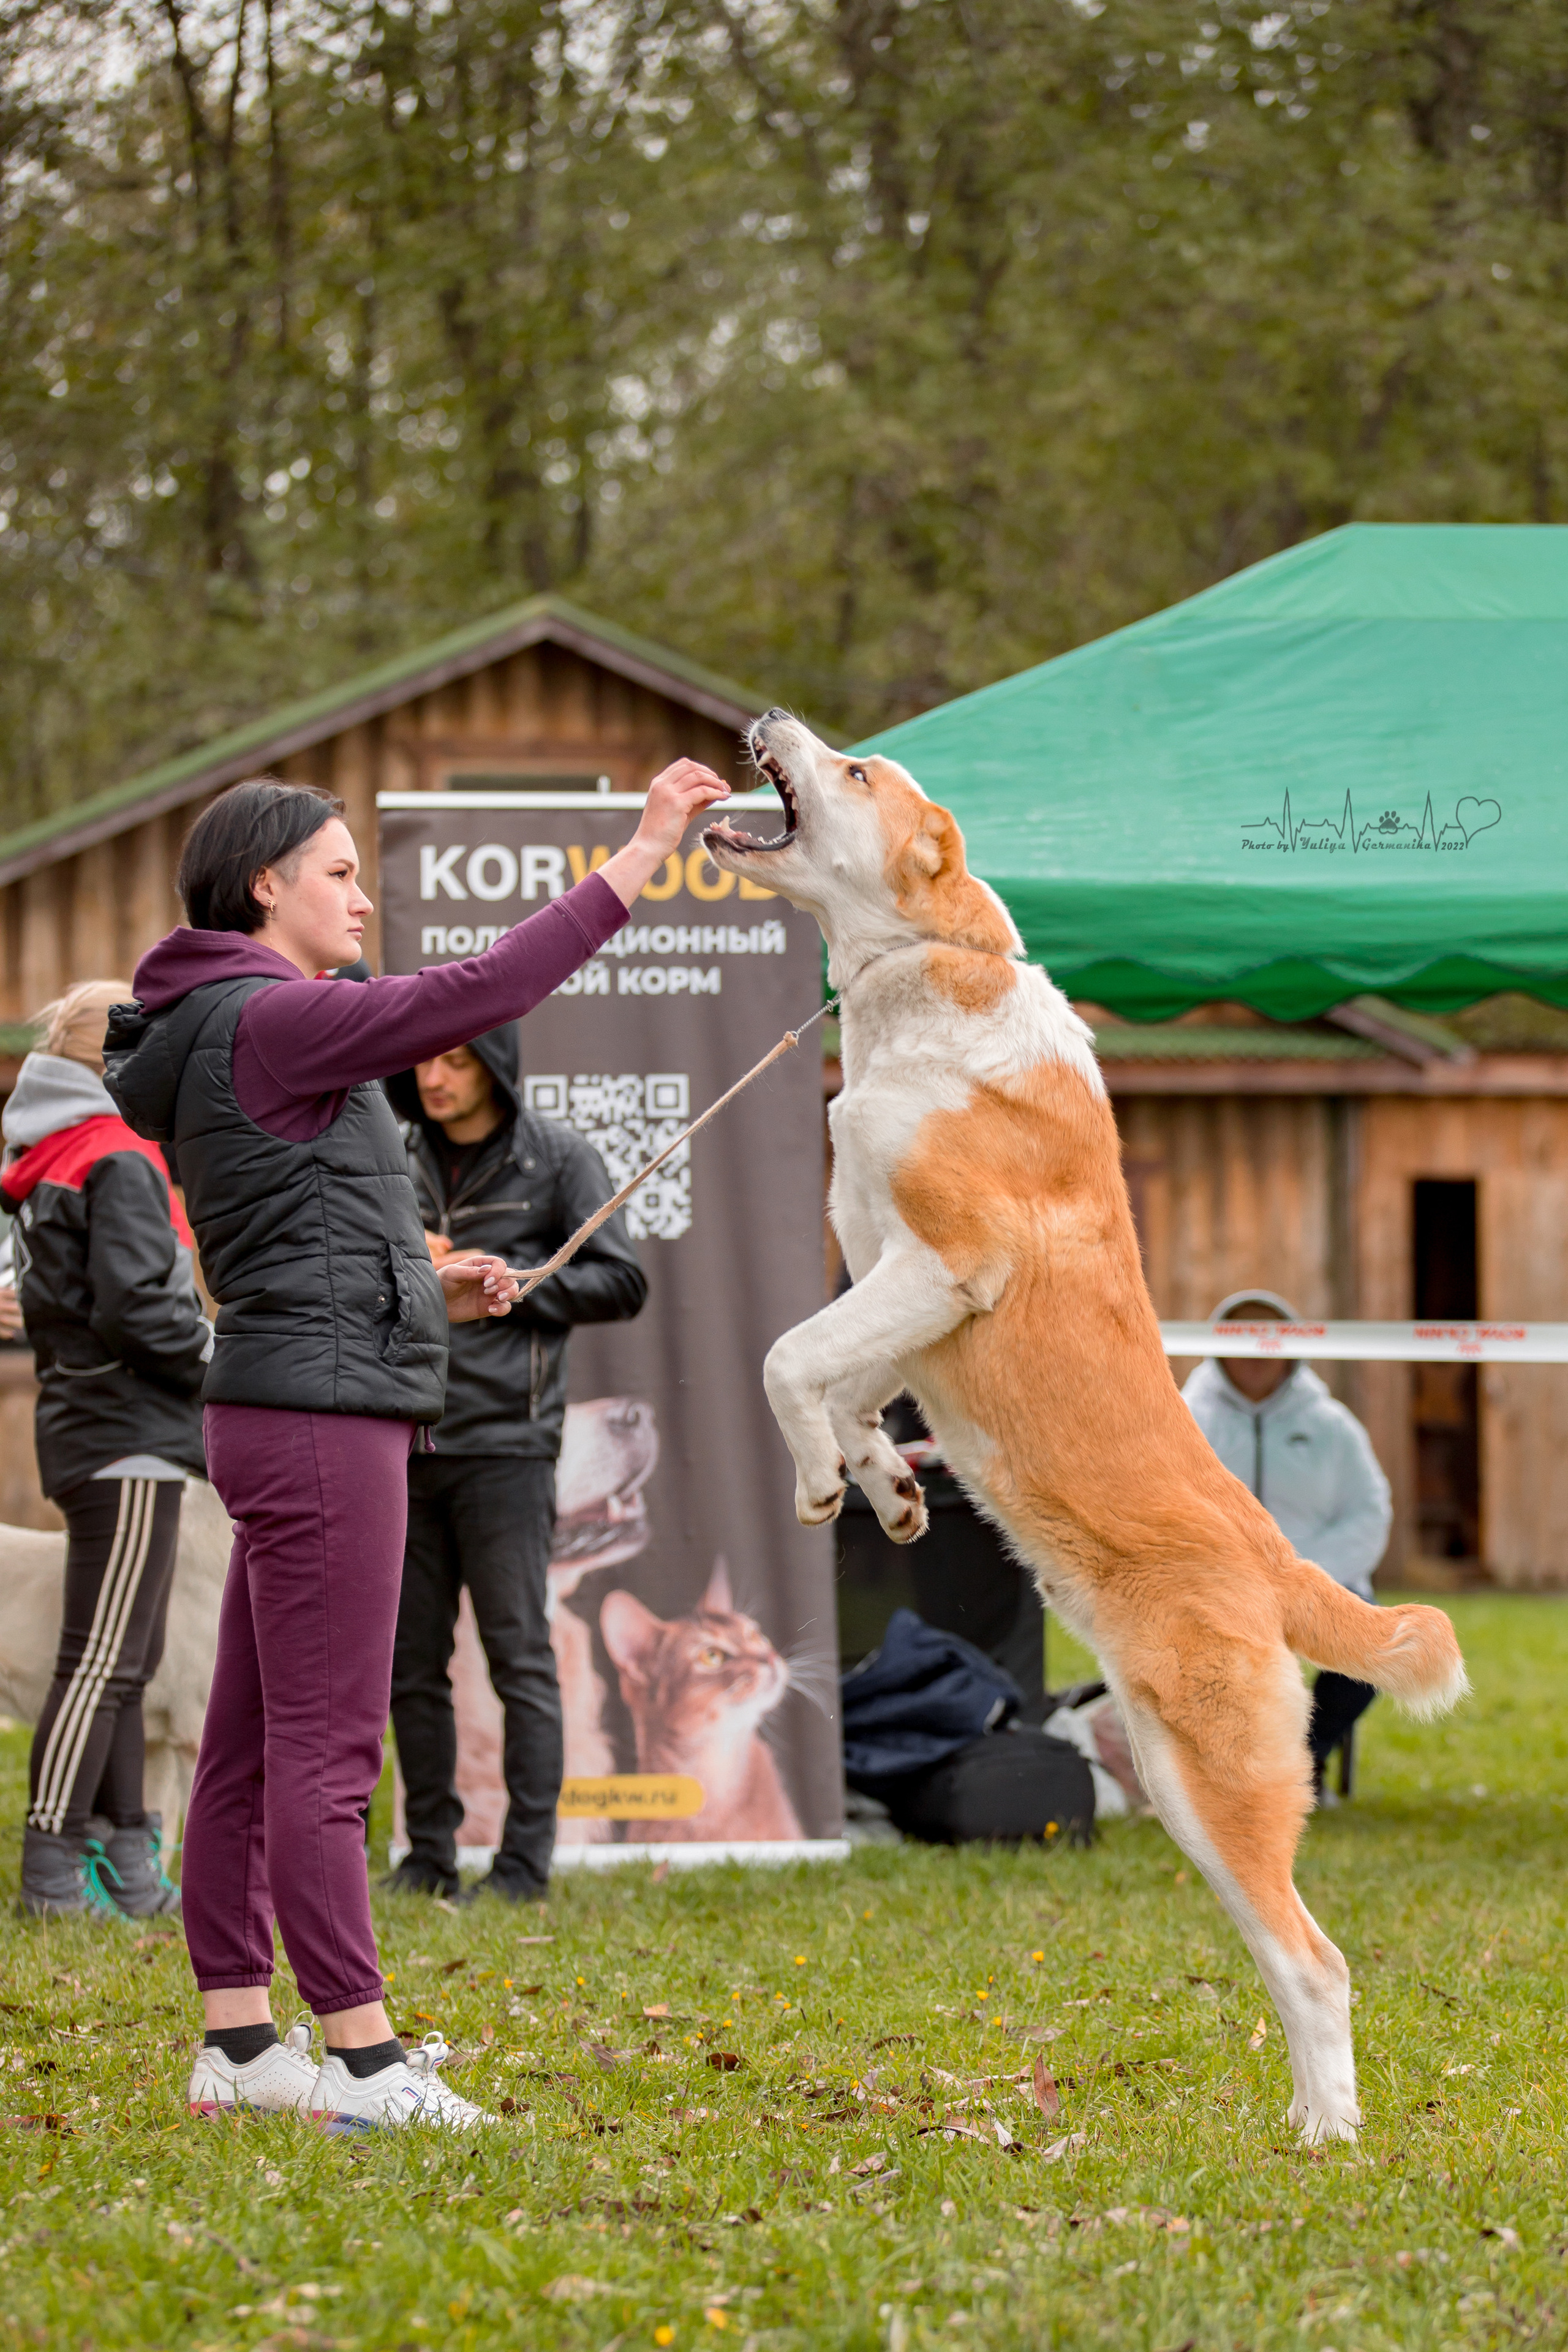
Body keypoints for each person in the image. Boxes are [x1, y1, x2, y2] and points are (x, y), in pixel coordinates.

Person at [104, 758, 726, 2133]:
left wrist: (429, 1280)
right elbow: (477, 994)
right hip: (323, 1420)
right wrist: (640, 853)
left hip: (291, 1395)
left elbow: (293, 1227)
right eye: (337, 872)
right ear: (263, 886)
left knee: (251, 1755)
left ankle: (239, 2043)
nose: (360, 899)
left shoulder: (223, 1024)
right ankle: (367, 2064)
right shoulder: (273, 1013)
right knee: (331, 1756)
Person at [383, 1025, 646, 1902]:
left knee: (519, 1658)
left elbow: (623, 1281)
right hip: (403, 1436)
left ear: (496, 1067)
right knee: (409, 1665)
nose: (434, 1076)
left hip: (508, 1442)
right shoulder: (389, 1152)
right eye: (425, 1059)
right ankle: (426, 1859)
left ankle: (524, 1867)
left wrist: (502, 1279)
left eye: (455, 1060)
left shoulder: (557, 1157)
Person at [2, 979, 211, 1919]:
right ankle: (51, 1871)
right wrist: (224, 1358)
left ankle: (128, 1865)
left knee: (127, 1657)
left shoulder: (57, 1153)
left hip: (97, 1430)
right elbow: (140, 1310)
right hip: (130, 1436)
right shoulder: (119, 1158)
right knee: (102, 1662)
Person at [1182, 1289, 1393, 1801]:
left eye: (1268, 1341)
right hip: (1214, 1589)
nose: (1256, 1355)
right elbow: (1166, 1509)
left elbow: (1370, 1511)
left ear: (1292, 1346)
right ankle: (1213, 1779)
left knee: (1375, 1648)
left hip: (1319, 1586)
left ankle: (1304, 1762)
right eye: (1242, 1341)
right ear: (1218, 1346)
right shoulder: (1182, 1420)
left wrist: (1310, 1578)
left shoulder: (1333, 1426)